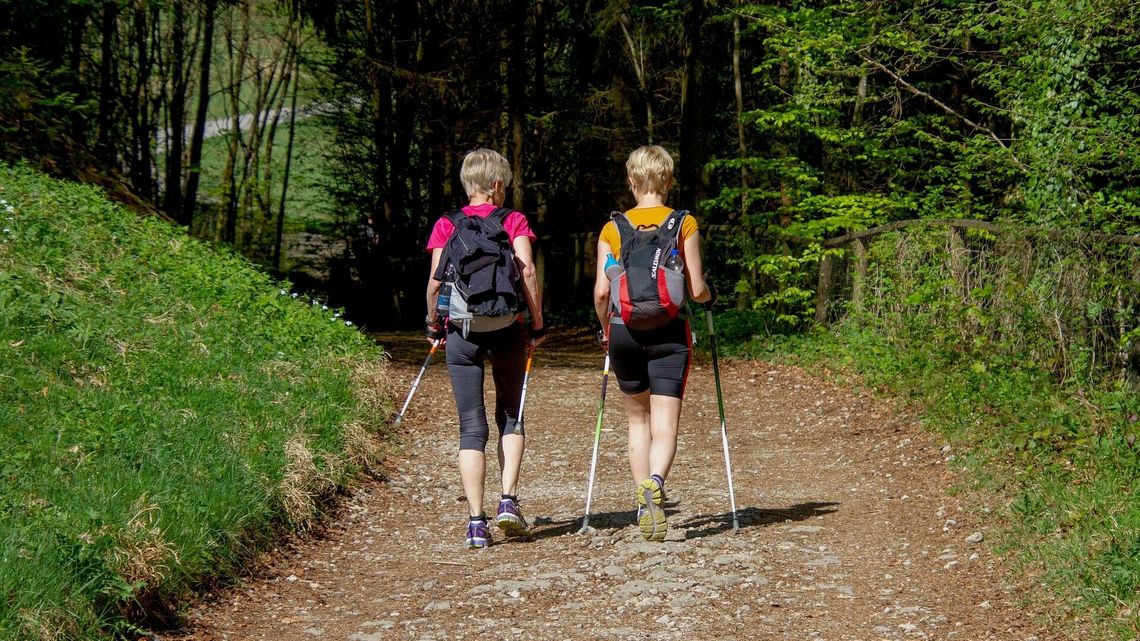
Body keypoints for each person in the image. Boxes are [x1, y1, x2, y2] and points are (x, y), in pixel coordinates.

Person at [593, 145, 715, 542]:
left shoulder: (612, 229)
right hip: (669, 332)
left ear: (631, 181)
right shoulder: (683, 223)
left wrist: (606, 332)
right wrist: (710, 296)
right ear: (668, 181)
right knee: (665, 425)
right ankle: (657, 483)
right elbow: (695, 290)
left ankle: (643, 502)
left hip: (623, 331)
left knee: (637, 421)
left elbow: (600, 292)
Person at [425, 148, 545, 549]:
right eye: (505, 185)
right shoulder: (513, 221)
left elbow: (436, 284)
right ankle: (508, 500)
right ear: (496, 185)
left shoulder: (447, 224)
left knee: (471, 426)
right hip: (507, 327)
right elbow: (526, 272)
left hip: (462, 332)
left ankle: (476, 523)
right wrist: (537, 321)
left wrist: (433, 323)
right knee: (511, 413)